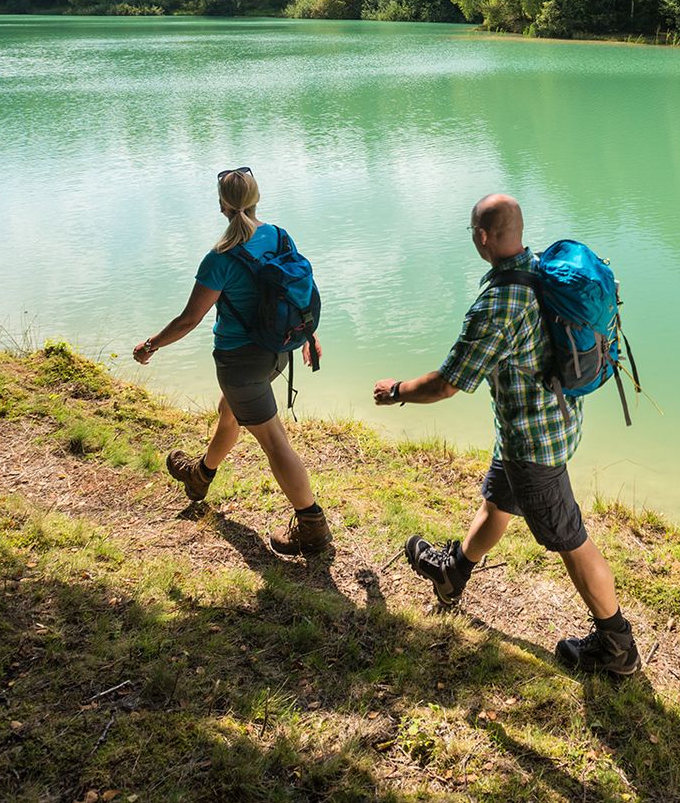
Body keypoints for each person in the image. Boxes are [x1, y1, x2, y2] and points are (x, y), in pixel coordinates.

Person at [373, 193, 641, 675]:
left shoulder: (499, 303)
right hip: (551, 422)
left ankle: (617, 647)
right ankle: (452, 574)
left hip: (534, 445)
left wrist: (396, 391)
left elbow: (447, 384)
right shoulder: (542, 270)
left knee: (571, 539)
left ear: (481, 238)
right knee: (499, 500)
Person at [134, 166, 331, 558]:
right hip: (277, 351)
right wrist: (306, 333)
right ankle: (201, 475)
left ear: (222, 205)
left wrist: (151, 345)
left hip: (241, 365)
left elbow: (189, 319)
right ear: (256, 198)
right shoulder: (278, 234)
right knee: (229, 411)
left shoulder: (219, 259)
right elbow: (296, 290)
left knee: (275, 442)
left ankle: (312, 525)